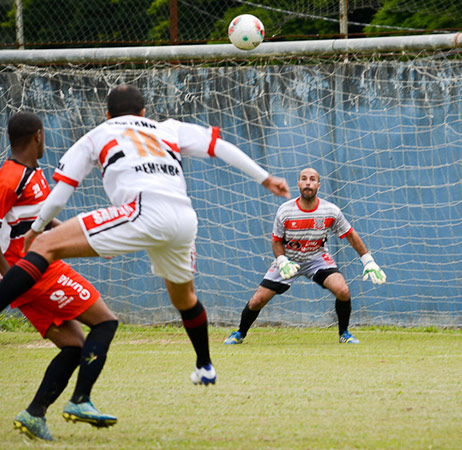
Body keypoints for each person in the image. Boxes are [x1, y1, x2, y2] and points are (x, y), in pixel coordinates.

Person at [0, 85, 290, 394]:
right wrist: (265, 178)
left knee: (45, 245)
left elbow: (60, 194)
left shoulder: (98, 134)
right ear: (143, 112)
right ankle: (205, 365)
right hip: (184, 220)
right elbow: (220, 146)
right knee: (184, 299)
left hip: (142, 211)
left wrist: (37, 227)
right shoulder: (169, 128)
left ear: (108, 114)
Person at [0, 112, 119, 441]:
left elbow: (44, 222)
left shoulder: (34, 174)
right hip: (36, 273)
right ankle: (81, 400)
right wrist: (12, 278)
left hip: (34, 274)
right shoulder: (10, 177)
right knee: (105, 322)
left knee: (74, 346)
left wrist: (91, 242)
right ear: (38, 135)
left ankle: (34, 414)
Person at [224, 167, 386, 345]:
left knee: (343, 290)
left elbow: (350, 235)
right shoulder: (285, 210)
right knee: (257, 300)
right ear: (298, 184)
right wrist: (282, 260)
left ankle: (344, 334)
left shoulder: (330, 210)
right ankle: (239, 333)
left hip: (317, 259)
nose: (308, 182)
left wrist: (368, 260)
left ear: (318, 185)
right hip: (288, 260)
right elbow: (276, 241)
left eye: (312, 179)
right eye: (304, 179)